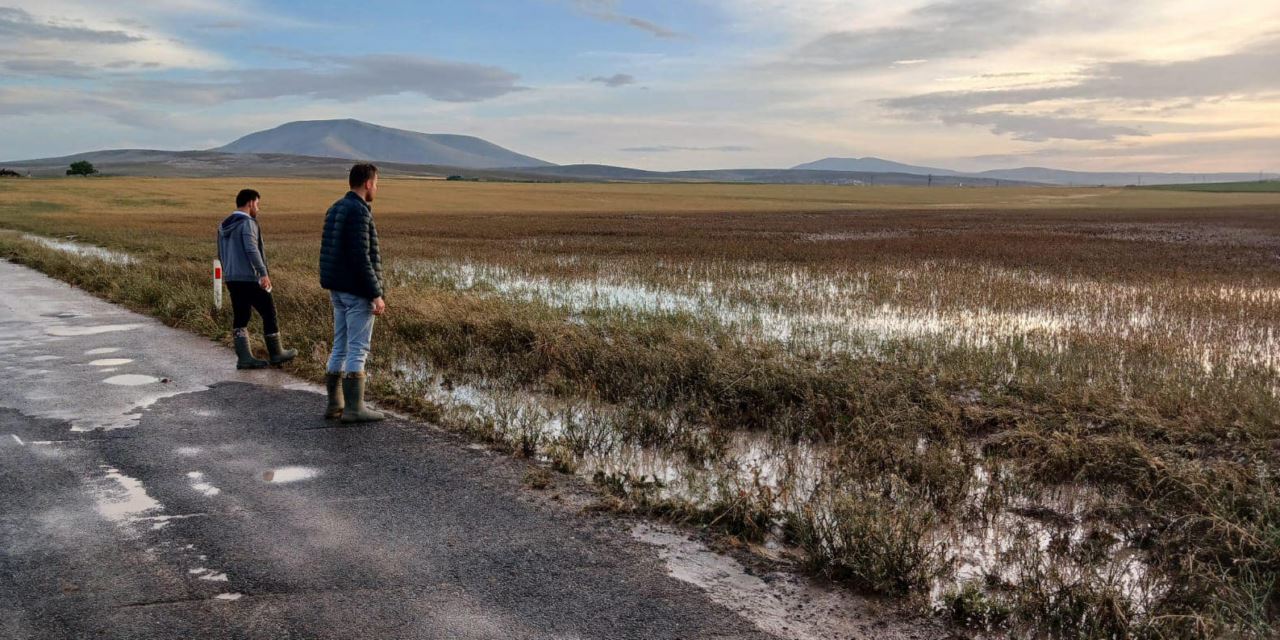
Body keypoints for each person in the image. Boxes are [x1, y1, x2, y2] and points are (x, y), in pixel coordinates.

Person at [319, 164, 387, 423]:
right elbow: (362, 257)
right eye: (376, 183)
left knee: (340, 345)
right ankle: (354, 408)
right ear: (368, 183)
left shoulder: (335, 208)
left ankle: (334, 404)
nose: (377, 188)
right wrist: (376, 293)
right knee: (358, 348)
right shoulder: (359, 212)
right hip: (356, 290)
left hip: (337, 289)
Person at [217, 189, 297, 369]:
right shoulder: (247, 223)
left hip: (232, 277)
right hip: (249, 277)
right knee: (268, 310)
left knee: (241, 315)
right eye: (258, 204)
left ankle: (244, 358)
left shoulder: (223, 225)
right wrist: (263, 273)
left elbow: (220, 253)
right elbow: (252, 249)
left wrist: (227, 273)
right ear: (251, 203)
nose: (258, 209)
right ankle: (277, 353)